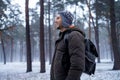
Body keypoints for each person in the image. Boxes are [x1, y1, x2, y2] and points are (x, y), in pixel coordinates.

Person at [50, 11, 85, 80]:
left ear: (65, 20)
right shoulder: (62, 37)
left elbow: (77, 65)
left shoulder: (74, 35)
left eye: (58, 18)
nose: (55, 21)